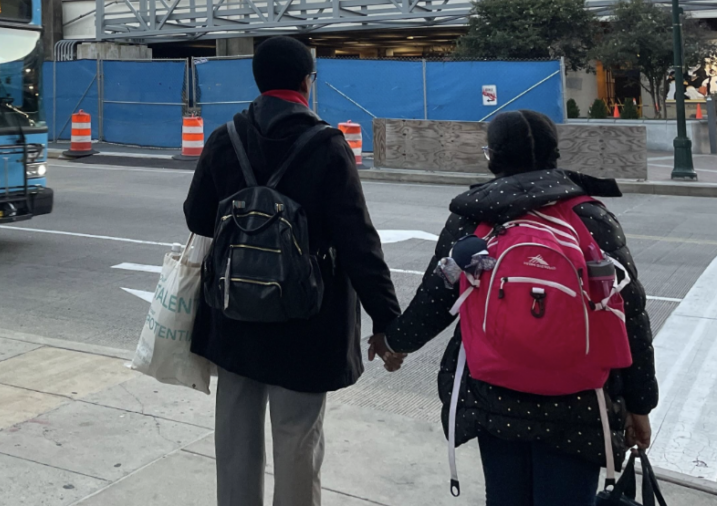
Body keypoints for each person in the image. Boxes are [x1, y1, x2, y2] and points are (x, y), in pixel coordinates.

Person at [378, 110, 658, 506]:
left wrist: (394, 344)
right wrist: (640, 404)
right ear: (553, 154)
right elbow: (630, 313)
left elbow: (435, 301)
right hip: (579, 404)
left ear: (493, 157)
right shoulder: (588, 216)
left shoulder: (476, 217)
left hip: (495, 397)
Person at [184, 36, 402, 506]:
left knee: (235, 438)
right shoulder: (327, 146)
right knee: (298, 439)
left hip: (235, 314)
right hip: (308, 322)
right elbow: (359, 244)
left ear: (258, 81)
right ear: (306, 82)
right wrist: (387, 321)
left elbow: (197, 218)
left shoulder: (225, 138)